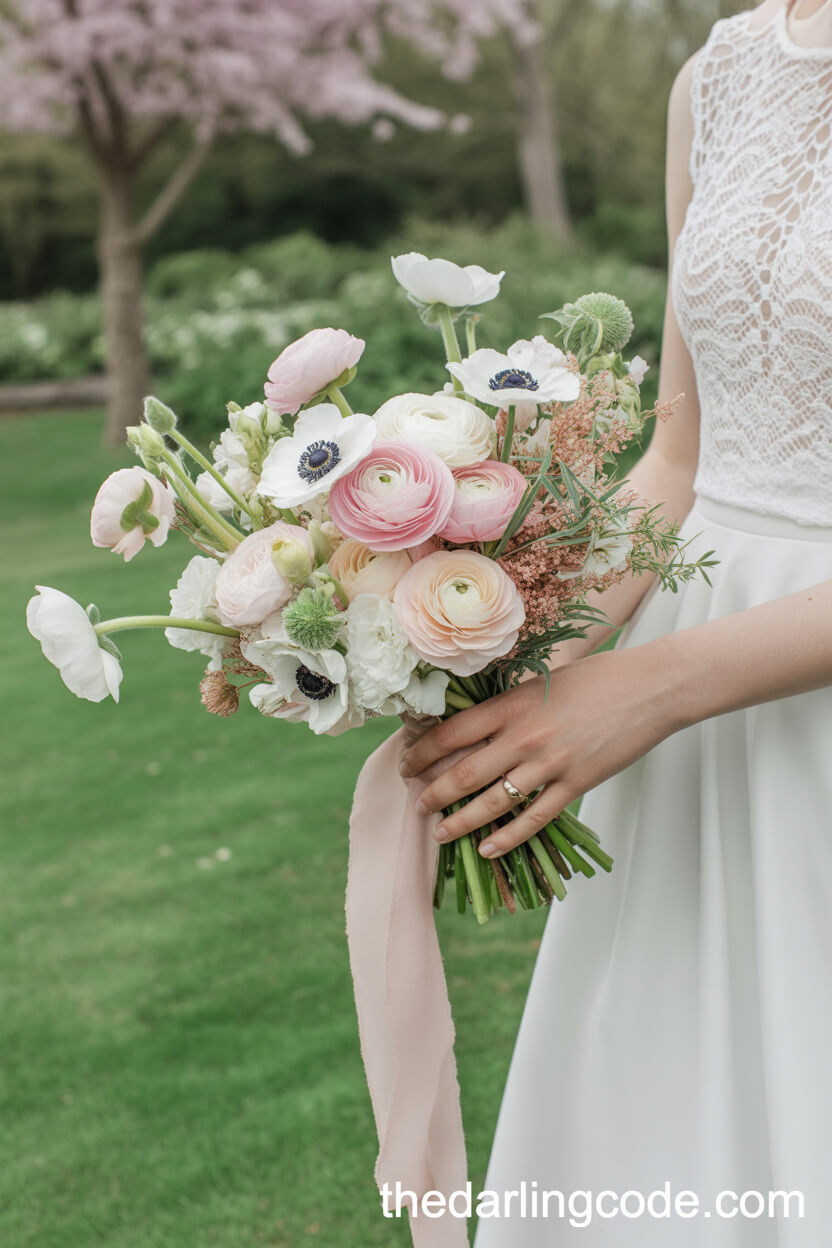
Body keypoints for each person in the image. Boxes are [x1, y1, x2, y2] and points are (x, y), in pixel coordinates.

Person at [398, 0, 832, 1242]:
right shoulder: (721, 72)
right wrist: (500, 661)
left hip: (718, 697)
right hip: (679, 724)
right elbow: (679, 456)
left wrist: (646, 692)